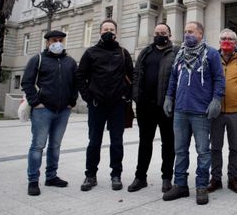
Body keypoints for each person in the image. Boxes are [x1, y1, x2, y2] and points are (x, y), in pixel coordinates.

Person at [162, 21, 225, 205]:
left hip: (200, 112)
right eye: (185, 31)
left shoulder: (211, 54)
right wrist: (169, 97)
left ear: (200, 34)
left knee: (203, 152)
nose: (187, 34)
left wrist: (217, 99)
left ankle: (201, 186)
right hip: (180, 111)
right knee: (180, 151)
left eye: (191, 31)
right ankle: (180, 185)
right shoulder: (180, 54)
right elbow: (173, 77)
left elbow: (219, 79)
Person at [75, 19, 133, 192]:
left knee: (117, 142)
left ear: (116, 32)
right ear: (100, 32)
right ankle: (90, 175)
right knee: (94, 141)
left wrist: (126, 96)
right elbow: (80, 76)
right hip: (96, 104)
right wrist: (87, 96)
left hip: (117, 105)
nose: (108, 31)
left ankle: (116, 175)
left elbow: (133, 75)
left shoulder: (123, 53)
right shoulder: (91, 52)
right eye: (105, 29)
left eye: (112, 29)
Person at [21, 30, 78, 196]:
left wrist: (71, 101)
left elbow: (76, 83)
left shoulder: (70, 62)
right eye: (54, 40)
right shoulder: (38, 59)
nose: (57, 42)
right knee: (38, 145)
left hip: (63, 111)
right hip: (42, 110)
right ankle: (33, 180)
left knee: (55, 145)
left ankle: (51, 176)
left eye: (60, 40)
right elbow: (27, 82)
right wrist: (35, 102)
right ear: (47, 42)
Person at [128, 23, 180, 193]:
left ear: (169, 35)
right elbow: (136, 75)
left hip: (166, 107)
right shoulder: (146, 52)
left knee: (168, 143)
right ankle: (140, 177)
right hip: (145, 107)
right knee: (144, 143)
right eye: (157, 32)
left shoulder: (176, 52)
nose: (160, 35)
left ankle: (167, 178)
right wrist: (136, 96)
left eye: (163, 33)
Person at [207, 29, 237, 194]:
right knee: (215, 147)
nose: (226, 41)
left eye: (230, 39)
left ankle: (233, 178)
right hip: (217, 112)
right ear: (219, 42)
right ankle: (216, 178)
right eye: (223, 38)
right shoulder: (211, 58)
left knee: (236, 147)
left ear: (236, 42)